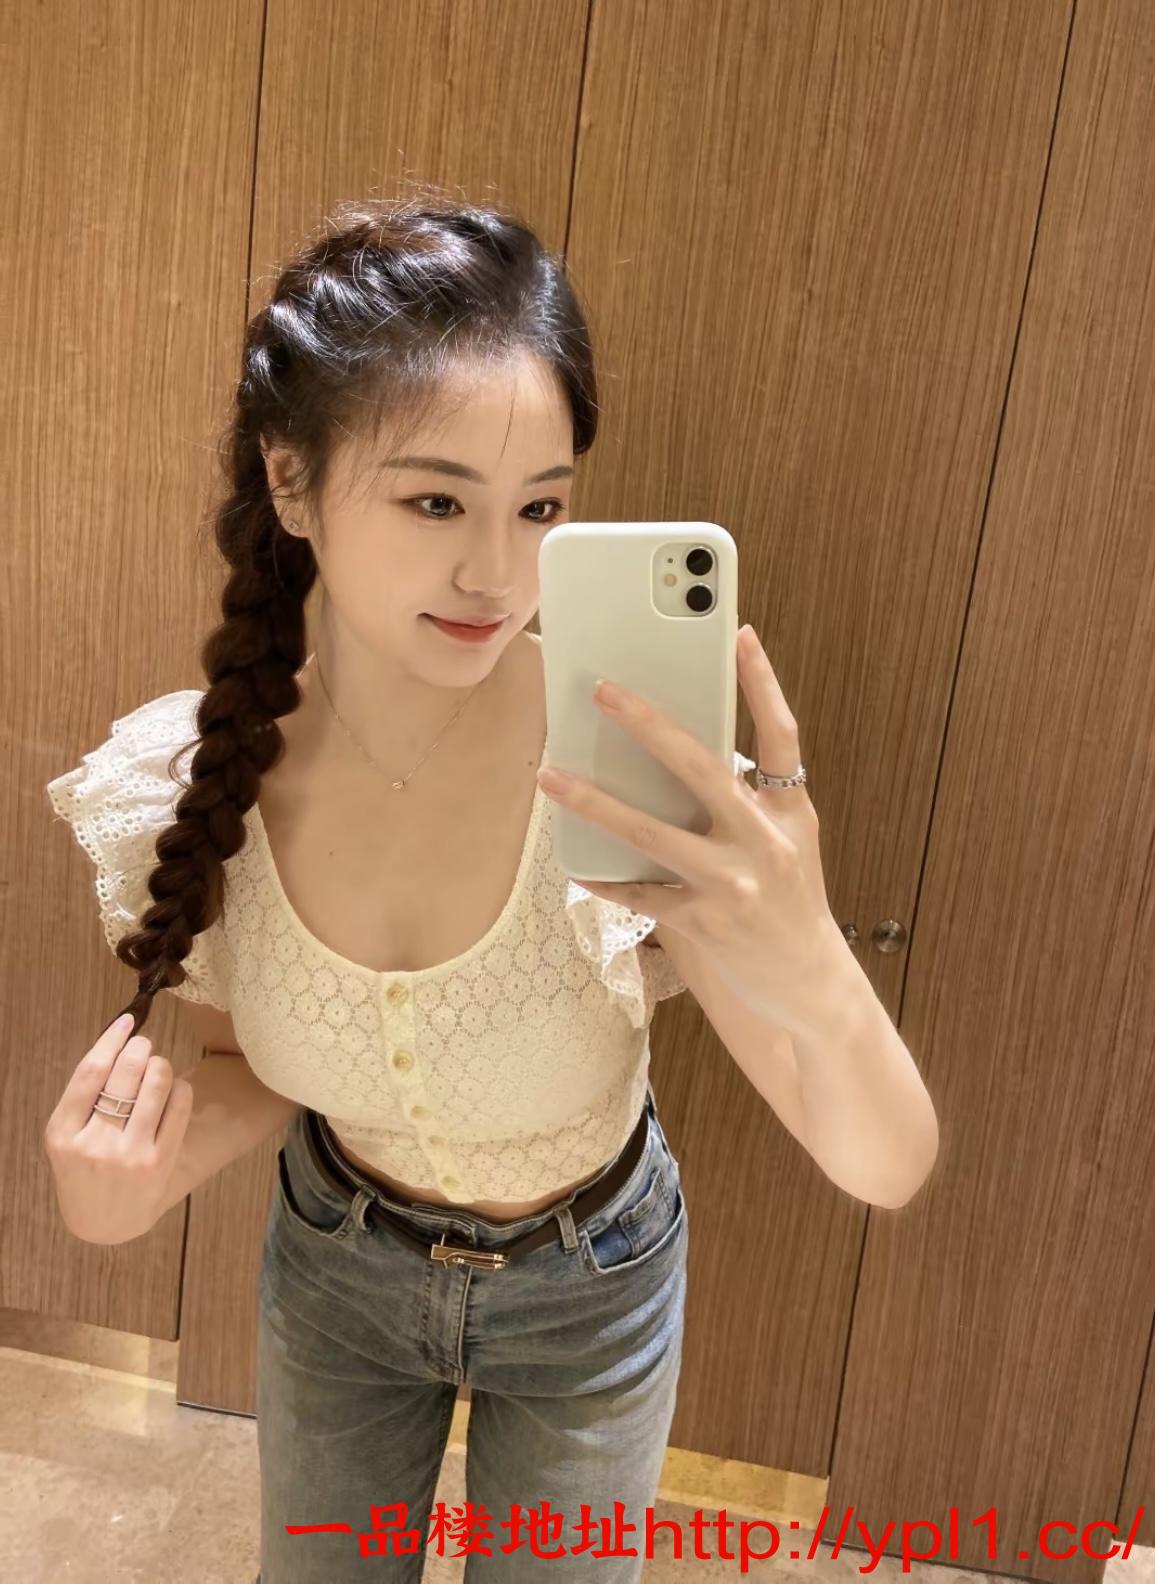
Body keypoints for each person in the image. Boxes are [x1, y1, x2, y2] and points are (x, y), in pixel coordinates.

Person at [42, 193, 696, 1583]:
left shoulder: (622, 756)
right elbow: (251, 1065)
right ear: (292, 482)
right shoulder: (199, 776)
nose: (497, 573)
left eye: (540, 508)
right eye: (436, 499)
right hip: (338, 1266)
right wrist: (128, 1187)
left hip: (593, 1285)